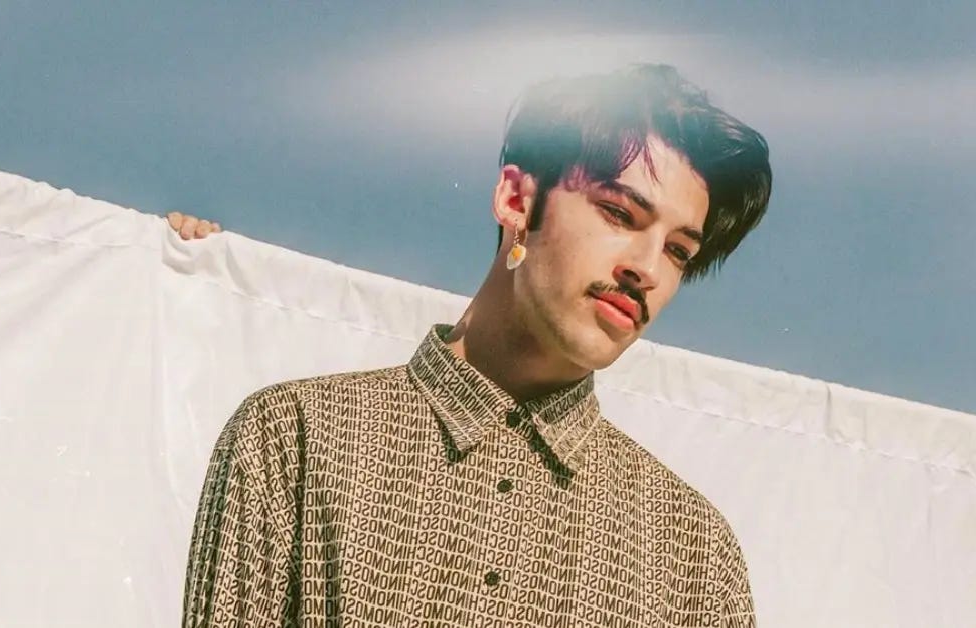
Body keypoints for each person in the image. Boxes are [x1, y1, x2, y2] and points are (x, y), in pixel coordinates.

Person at [174, 63, 772, 627]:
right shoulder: (296, 437)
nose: (647, 269)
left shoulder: (694, 558)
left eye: (677, 252)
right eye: (619, 212)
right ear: (516, 200)